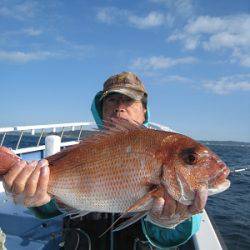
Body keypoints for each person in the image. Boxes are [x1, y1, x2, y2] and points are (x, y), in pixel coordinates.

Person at [3, 72, 208, 249]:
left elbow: (174, 236)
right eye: (112, 100)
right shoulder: (78, 152)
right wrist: (31, 196)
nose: (120, 107)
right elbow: (50, 208)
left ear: (144, 110)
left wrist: (172, 222)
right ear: (100, 109)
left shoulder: (165, 148)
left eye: (129, 100)